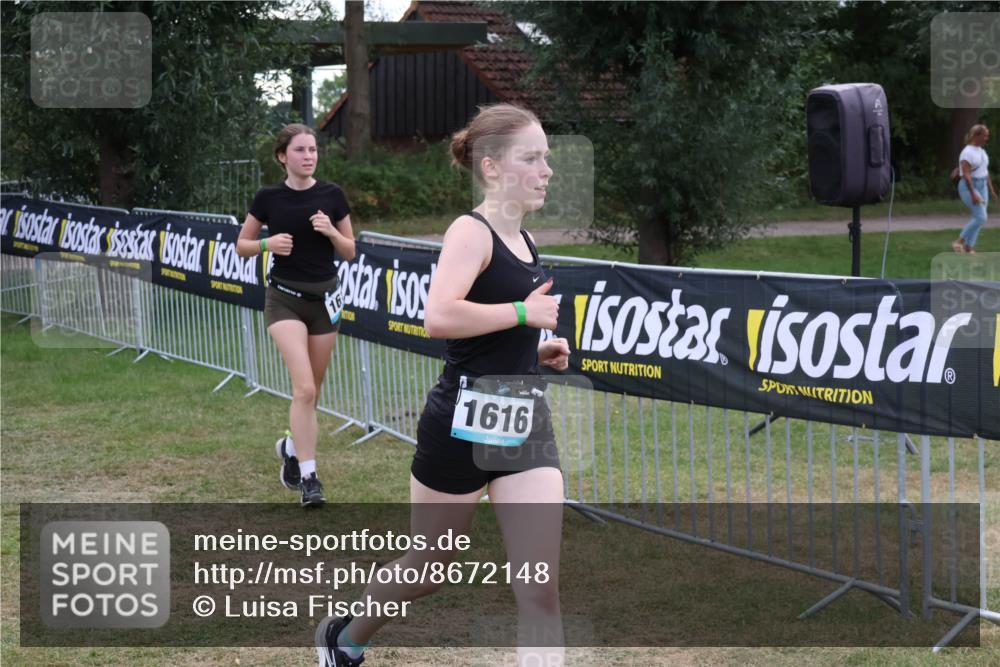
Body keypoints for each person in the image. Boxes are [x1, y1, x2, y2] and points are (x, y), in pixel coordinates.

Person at [315, 104, 571, 666]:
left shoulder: (525, 240)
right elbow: (440, 317)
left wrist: (535, 351)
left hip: (521, 418)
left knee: (540, 588)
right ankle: (347, 637)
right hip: (460, 424)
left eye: (546, 157)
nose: (546, 170)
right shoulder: (470, 232)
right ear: (492, 168)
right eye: (532, 157)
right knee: (429, 569)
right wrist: (523, 317)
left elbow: (497, 326)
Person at [236, 123, 356, 507]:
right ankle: (310, 479)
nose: (309, 156)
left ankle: (291, 446)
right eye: (301, 150)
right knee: (303, 388)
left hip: (325, 303)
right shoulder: (268, 197)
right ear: (282, 156)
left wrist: (331, 233)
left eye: (313, 149)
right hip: (283, 299)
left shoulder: (332, 195)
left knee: (312, 393)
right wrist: (266, 244)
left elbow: (350, 250)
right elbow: (242, 245)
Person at [953, 123, 998, 255]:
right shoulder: (967, 152)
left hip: (982, 185)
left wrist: (991, 190)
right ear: (976, 135)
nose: (987, 138)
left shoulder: (982, 151)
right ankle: (959, 241)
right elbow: (966, 175)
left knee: (978, 217)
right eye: (985, 135)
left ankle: (968, 247)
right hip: (969, 187)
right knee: (981, 217)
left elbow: (985, 171)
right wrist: (973, 193)